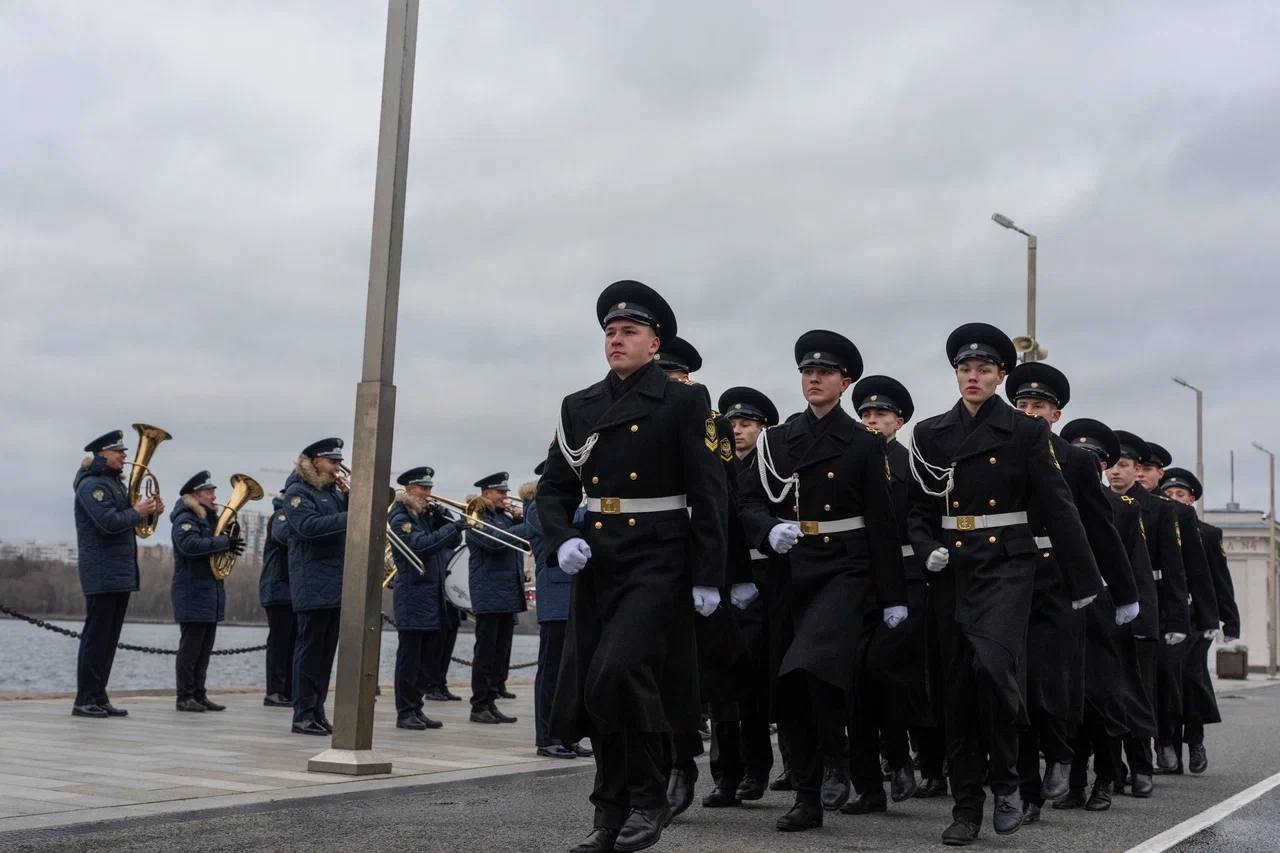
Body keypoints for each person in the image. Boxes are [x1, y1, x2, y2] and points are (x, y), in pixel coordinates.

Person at [536, 280, 727, 853]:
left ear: (654, 343)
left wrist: (709, 574)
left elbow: (709, 490)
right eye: (611, 332)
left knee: (616, 671)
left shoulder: (685, 401)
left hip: (659, 555)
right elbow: (554, 487)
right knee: (596, 685)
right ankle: (609, 812)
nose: (617, 340)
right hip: (599, 558)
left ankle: (648, 797)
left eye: (630, 332)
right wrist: (561, 538)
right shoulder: (579, 405)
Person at [905, 323, 1101, 845]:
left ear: (1000, 376)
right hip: (953, 569)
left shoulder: (1025, 431)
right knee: (958, 687)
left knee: (992, 670)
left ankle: (1009, 782)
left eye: (984, 369)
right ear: (956, 374)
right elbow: (917, 510)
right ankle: (966, 807)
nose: (973, 377)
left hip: (1008, 566)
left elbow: (1058, 504)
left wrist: (1083, 578)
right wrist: (925, 548)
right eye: (965, 369)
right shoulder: (929, 433)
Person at [738, 330, 905, 832]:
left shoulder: (862, 442)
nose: (814, 379)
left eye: (825, 373)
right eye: (808, 372)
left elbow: (881, 522)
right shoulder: (777, 441)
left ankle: (837, 757)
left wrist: (892, 595)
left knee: (811, 665)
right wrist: (768, 529)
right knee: (790, 682)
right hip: (790, 568)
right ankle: (807, 794)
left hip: (844, 568)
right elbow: (747, 501)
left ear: (844, 382)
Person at [1004, 363, 1138, 820]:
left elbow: (1101, 531)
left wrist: (1124, 593)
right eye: (1022, 405)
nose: (1029, 412)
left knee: (1056, 681)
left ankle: (1061, 752)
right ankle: (1027, 792)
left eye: (1039, 406)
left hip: (1065, 583)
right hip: (1013, 577)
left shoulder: (1076, 461)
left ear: (1056, 414)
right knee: (1018, 688)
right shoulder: (1000, 454)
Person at [1053, 418, 1152, 814]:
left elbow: (1135, 568)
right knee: (1071, 703)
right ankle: (1075, 783)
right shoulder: (1052, 498)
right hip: (1062, 607)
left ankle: (1106, 779)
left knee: (1104, 701)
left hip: (1106, 614)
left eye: (1093, 459)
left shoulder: (1123, 510)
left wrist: (1136, 615)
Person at [845, 374, 929, 815]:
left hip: (906, 577)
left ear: (900, 422)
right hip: (859, 577)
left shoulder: (912, 466)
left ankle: (899, 757)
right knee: (855, 679)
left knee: (883, 669)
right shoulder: (850, 461)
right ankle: (868, 786)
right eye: (866, 414)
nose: (872, 420)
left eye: (881, 414)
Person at [1106, 431, 1189, 796]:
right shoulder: (1096, 501)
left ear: (1137, 469)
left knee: (1139, 691)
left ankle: (1142, 765)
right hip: (1105, 606)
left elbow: (1174, 569)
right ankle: (1113, 766)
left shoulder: (1160, 509)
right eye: (1111, 465)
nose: (1115, 472)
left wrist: (1176, 620)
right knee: (1108, 691)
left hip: (1144, 603)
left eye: (1124, 465)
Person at [717, 385, 781, 804]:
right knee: (723, 682)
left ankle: (756, 770)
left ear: (762, 429)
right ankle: (725, 775)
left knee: (757, 681)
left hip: (762, 576)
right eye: (733, 424)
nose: (738, 430)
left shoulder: (772, 470)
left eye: (747, 424)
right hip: (723, 577)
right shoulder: (715, 467)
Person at [1139, 445, 1219, 775]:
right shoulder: (1127, 505)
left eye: (1147, 468)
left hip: (1182, 611)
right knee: (1155, 681)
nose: (1140, 474)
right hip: (1142, 606)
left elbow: (1201, 573)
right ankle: (1161, 746)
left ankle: (1188, 741)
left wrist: (1213, 618)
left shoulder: (1179, 516)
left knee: (1185, 678)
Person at [71, 430, 162, 719]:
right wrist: (138, 511)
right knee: (96, 638)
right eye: (118, 451)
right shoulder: (91, 485)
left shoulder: (114, 483)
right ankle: (84, 699)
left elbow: (128, 523)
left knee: (109, 641)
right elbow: (108, 523)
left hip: (118, 572)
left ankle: (99, 696)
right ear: (102, 454)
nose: (125, 455)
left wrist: (151, 512)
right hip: (102, 572)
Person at [1159, 466, 1237, 773]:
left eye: (1180, 494)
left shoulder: (1207, 534)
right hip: (1166, 615)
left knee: (1191, 678)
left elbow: (1219, 580)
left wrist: (1229, 621)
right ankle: (1169, 750)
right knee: (1168, 680)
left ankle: (1195, 741)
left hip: (1196, 617)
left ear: (1191, 499)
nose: (1174, 498)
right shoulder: (1156, 525)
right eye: (1168, 493)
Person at [389, 466, 463, 730]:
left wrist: (445, 520)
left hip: (430, 594)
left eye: (430, 488)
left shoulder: (422, 515)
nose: (429, 493)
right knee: (410, 660)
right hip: (413, 594)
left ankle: (416, 707)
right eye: (424, 488)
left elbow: (451, 543)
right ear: (409, 489)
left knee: (425, 659)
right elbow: (421, 546)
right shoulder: (401, 517)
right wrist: (449, 529)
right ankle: (405, 711)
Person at [284, 437, 349, 736]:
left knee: (325, 655)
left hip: (335, 582)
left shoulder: (333, 493)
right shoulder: (298, 492)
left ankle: (317, 710)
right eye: (332, 461)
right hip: (312, 582)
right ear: (314, 462)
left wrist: (354, 501)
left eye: (339, 462)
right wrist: (352, 515)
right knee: (310, 652)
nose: (338, 467)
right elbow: (307, 527)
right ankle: (302, 714)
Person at [527, 465, 593, 759]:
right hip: (555, 600)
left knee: (572, 674)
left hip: (576, 598)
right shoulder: (538, 508)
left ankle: (567, 734)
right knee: (551, 672)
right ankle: (547, 737)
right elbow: (573, 521)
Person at [169, 471, 243, 712]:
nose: (213, 496)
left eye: (213, 492)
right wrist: (224, 543)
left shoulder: (210, 519)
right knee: (190, 649)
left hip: (209, 591)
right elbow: (189, 545)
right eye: (209, 492)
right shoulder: (185, 517)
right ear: (195, 495)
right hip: (192, 591)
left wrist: (229, 542)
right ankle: (185, 696)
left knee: (204, 649)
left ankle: (199, 694)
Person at [467, 472, 530, 725]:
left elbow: (522, 545)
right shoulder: (477, 516)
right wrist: (525, 525)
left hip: (506, 593)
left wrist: (520, 519)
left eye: (505, 492)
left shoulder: (503, 517)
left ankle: (491, 701)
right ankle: (479, 705)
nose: (505, 496)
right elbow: (494, 543)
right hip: (488, 593)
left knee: (500, 652)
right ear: (486, 493)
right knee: (486, 653)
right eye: (500, 492)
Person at [260, 492, 296, 707]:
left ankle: (288, 690)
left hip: (291, 589)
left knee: (292, 642)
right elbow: (283, 537)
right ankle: (275, 691)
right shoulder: (281, 515)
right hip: (278, 589)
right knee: (280, 643)